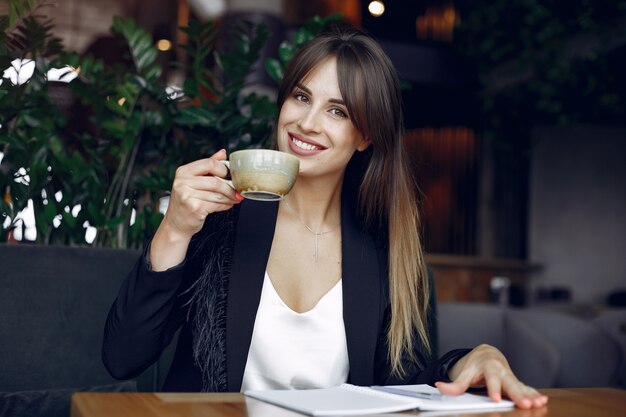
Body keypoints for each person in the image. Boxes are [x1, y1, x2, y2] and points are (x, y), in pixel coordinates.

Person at [102, 24, 548, 409]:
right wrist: (176, 228)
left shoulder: (383, 248)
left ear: (364, 136)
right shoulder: (219, 219)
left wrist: (470, 358)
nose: (307, 123)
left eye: (337, 111)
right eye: (301, 97)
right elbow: (123, 358)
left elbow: (405, 383)